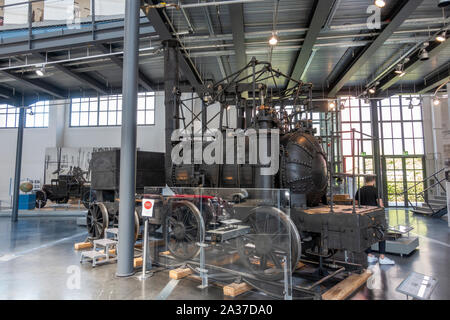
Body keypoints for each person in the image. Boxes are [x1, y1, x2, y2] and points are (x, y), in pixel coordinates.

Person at [355, 176, 395, 265]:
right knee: (381, 233)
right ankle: (382, 257)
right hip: (375, 216)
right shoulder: (375, 190)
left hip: (364, 215)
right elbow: (380, 205)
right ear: (373, 181)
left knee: (366, 235)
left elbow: (356, 204)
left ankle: (369, 256)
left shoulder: (359, 190)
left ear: (365, 180)